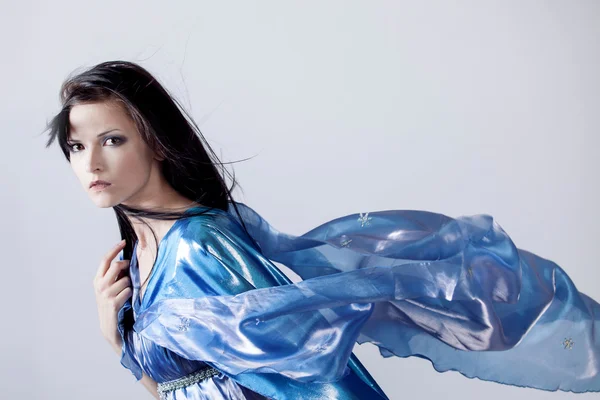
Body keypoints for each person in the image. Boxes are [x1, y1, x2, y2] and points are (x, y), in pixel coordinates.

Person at [45, 60, 599, 399]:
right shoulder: (139, 256)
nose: (89, 163)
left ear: (156, 141)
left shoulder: (200, 247)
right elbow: (183, 389)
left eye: (111, 140)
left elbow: (314, 379)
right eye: (76, 146)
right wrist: (115, 337)